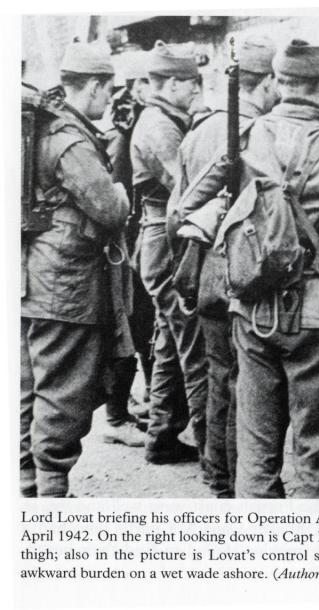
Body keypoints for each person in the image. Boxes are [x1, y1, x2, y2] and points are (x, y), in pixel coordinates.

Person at [179, 39, 319, 498]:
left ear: (280, 83)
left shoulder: (248, 137)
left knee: (256, 450)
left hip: (252, 311)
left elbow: (187, 207)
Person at [21, 42, 130, 497]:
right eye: (108, 90)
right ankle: (51, 492)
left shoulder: (46, 129)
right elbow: (109, 209)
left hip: (32, 277)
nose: (111, 100)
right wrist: (121, 192)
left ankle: (27, 481)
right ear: (94, 86)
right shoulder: (69, 139)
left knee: (28, 384)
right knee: (63, 390)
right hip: (66, 283)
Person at [172, 35, 278, 497]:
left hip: (201, 269)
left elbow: (179, 202)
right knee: (244, 384)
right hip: (235, 269)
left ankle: (216, 474)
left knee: (219, 375)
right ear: (268, 82)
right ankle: (236, 482)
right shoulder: (252, 132)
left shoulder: (197, 130)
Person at [130, 40, 207, 465]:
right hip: (168, 236)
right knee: (193, 343)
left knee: (168, 341)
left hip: (162, 234)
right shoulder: (159, 125)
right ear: (174, 83)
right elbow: (189, 188)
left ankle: (161, 436)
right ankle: (214, 449)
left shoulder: (165, 118)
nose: (196, 90)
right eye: (192, 83)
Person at [101, 50, 155, 448]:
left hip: (138, 245)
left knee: (142, 326)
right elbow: (121, 199)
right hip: (129, 248)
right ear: (138, 88)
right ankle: (116, 417)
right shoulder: (127, 133)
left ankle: (134, 404)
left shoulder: (141, 124)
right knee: (132, 327)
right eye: (151, 83)